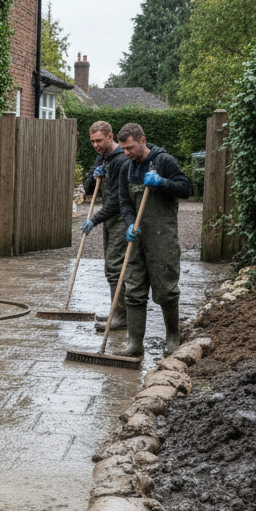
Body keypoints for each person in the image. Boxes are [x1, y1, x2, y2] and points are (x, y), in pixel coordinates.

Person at [115, 122, 193, 357]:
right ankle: (135, 344)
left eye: (130, 148)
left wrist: (162, 182)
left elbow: (187, 188)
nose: (127, 153)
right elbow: (124, 202)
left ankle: (172, 337)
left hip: (162, 237)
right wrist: (129, 223)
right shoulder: (125, 168)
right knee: (134, 289)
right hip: (136, 237)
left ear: (142, 140)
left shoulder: (163, 161)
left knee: (166, 289)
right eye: (123, 149)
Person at [80, 121, 128, 331]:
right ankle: (116, 312)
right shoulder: (103, 157)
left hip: (120, 219)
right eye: (92, 141)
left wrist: (94, 220)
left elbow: (116, 202)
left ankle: (121, 316)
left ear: (110, 137)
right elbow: (87, 187)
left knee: (115, 268)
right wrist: (94, 175)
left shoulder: (120, 159)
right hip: (109, 219)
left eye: (99, 140)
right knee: (111, 266)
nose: (95, 145)